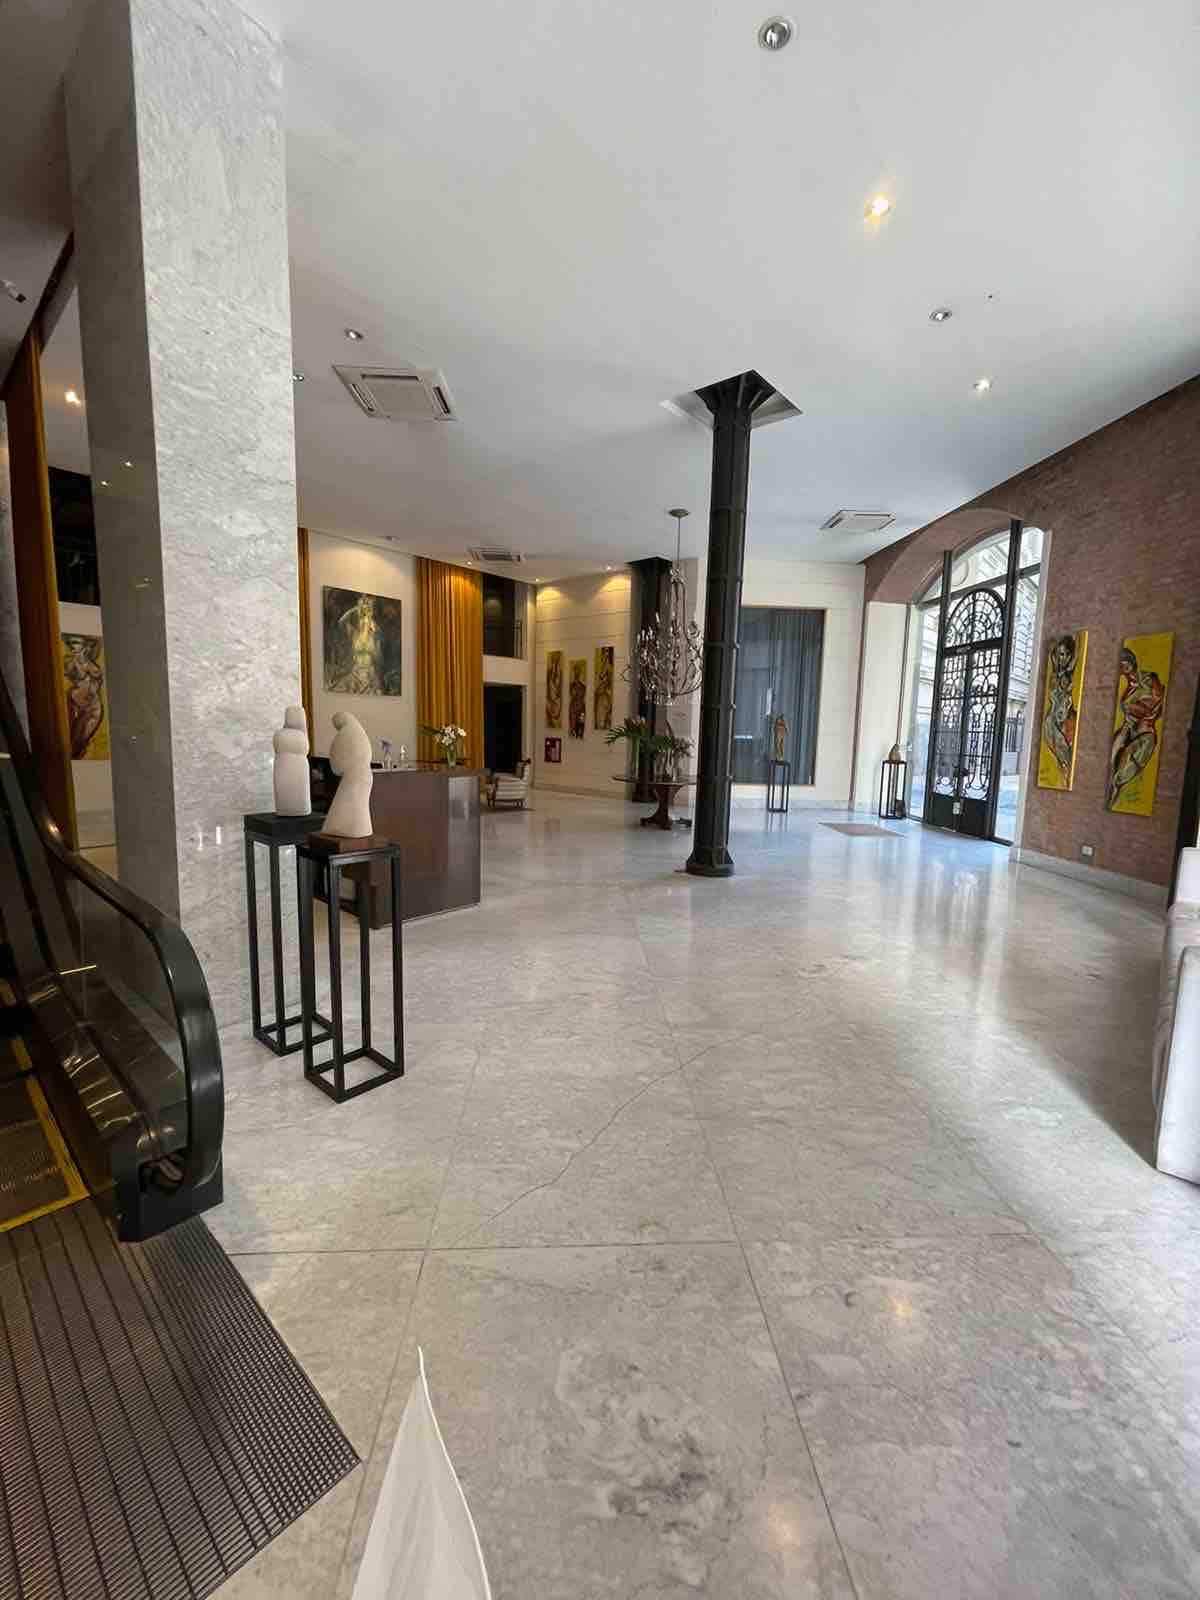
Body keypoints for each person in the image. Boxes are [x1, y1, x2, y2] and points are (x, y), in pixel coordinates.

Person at [1107, 647, 1165, 809]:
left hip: (1145, 735)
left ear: (1132, 662)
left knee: (1121, 772)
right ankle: (1111, 799)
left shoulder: (1148, 678)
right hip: (1130, 730)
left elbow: (1156, 705)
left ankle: (1113, 798)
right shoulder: (1128, 689)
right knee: (1111, 761)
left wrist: (1140, 709)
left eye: (1125, 662)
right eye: (1120, 664)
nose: (1123, 667)